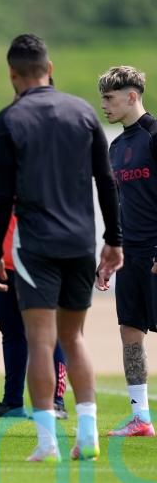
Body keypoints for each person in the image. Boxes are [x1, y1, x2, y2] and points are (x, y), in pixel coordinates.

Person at [0, 34, 123, 462]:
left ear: (12, 74)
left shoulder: (8, 119)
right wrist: (114, 240)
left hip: (37, 246)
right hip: (82, 243)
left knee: (41, 341)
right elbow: (107, 181)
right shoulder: (83, 112)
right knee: (75, 337)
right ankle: (88, 434)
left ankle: (47, 444)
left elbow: (1, 193)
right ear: (51, 68)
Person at [0, 146, 68, 420]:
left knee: (46, 330)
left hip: (31, 254)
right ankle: (12, 401)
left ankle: (56, 402)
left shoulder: (41, 153)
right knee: (11, 331)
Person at [98, 65, 156, 437]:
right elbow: (118, 205)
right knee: (129, 332)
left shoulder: (154, 136)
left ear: (131, 96)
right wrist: (111, 251)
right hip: (131, 253)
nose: (103, 105)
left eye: (109, 98)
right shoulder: (116, 146)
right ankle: (141, 418)